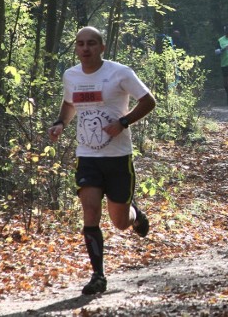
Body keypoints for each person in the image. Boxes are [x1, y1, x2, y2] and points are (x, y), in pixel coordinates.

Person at [47, 26, 156, 295]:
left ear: (102, 47)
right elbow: (69, 103)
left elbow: (149, 101)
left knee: (119, 221)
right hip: (88, 156)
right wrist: (61, 123)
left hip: (118, 157)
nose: (86, 49)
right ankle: (98, 276)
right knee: (91, 212)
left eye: (92, 44)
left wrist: (123, 121)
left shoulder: (119, 73)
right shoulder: (71, 75)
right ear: (76, 47)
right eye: (81, 44)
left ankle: (135, 214)